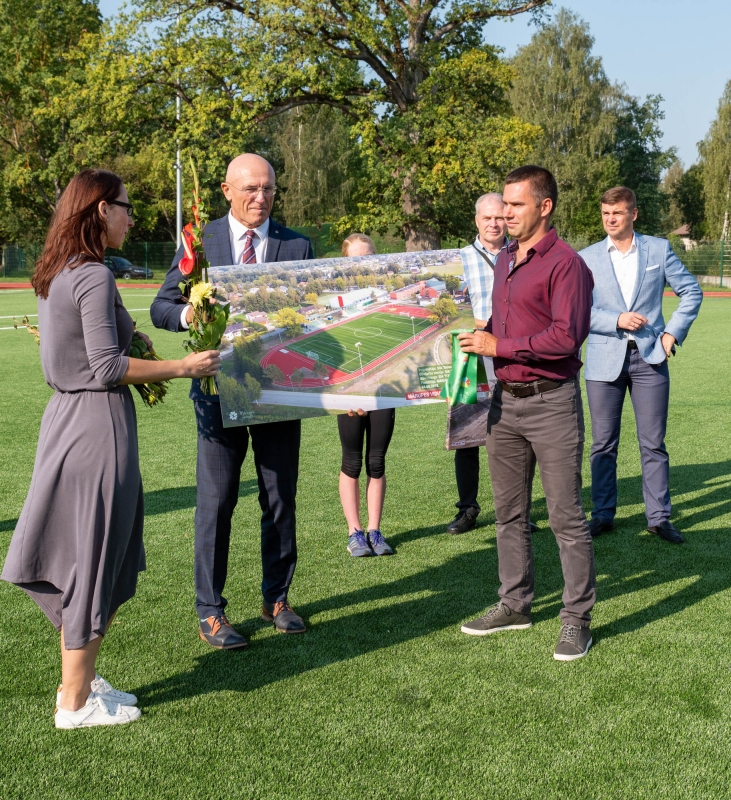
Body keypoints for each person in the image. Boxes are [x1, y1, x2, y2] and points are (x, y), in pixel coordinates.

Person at [1, 169, 220, 728]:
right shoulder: (93, 275)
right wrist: (182, 365)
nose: (131, 216)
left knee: (91, 555)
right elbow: (105, 367)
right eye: (124, 207)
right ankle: (74, 704)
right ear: (100, 211)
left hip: (67, 422)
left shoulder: (60, 271)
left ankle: (80, 683)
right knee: (96, 559)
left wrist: (137, 338)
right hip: (97, 428)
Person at [150, 153, 313, 648]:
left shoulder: (297, 244)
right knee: (216, 504)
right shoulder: (199, 241)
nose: (260, 197)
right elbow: (162, 307)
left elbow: (313, 317)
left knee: (279, 500)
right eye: (250, 189)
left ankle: (276, 600)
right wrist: (191, 317)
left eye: (268, 189)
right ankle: (210, 612)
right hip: (216, 396)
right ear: (226, 190)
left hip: (277, 394)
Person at [457, 165, 596, 662]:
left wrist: (500, 344)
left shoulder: (567, 264)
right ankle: (515, 604)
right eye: (503, 205)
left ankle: (577, 619)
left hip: (551, 402)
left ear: (545, 207)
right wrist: (476, 334)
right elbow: (504, 319)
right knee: (509, 514)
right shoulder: (504, 260)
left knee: (565, 517)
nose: (505, 214)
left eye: (515, 205)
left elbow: (565, 336)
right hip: (504, 405)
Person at [580, 187, 702, 544]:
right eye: (605, 213)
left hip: (650, 357)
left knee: (653, 443)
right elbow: (578, 311)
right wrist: (616, 319)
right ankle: (602, 515)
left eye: (617, 213)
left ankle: (659, 518)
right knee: (603, 444)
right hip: (604, 359)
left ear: (634, 213)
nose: (610, 219)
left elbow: (691, 291)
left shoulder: (658, 250)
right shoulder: (585, 258)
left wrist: (672, 335)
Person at [449, 194, 539, 537]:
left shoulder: (522, 255)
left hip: (509, 352)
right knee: (467, 435)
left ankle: (519, 509)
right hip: (470, 354)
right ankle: (468, 508)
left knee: (519, 434)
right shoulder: (457, 260)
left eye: (500, 218)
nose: (493, 224)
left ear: (507, 219)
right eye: (487, 218)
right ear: (476, 221)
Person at [337, 234, 395, 557]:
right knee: (351, 461)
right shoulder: (338, 300)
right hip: (348, 390)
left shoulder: (386, 292)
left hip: (383, 387)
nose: (362, 263)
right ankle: (354, 532)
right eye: (355, 258)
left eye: (368, 256)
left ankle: (375, 530)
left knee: (377, 461)